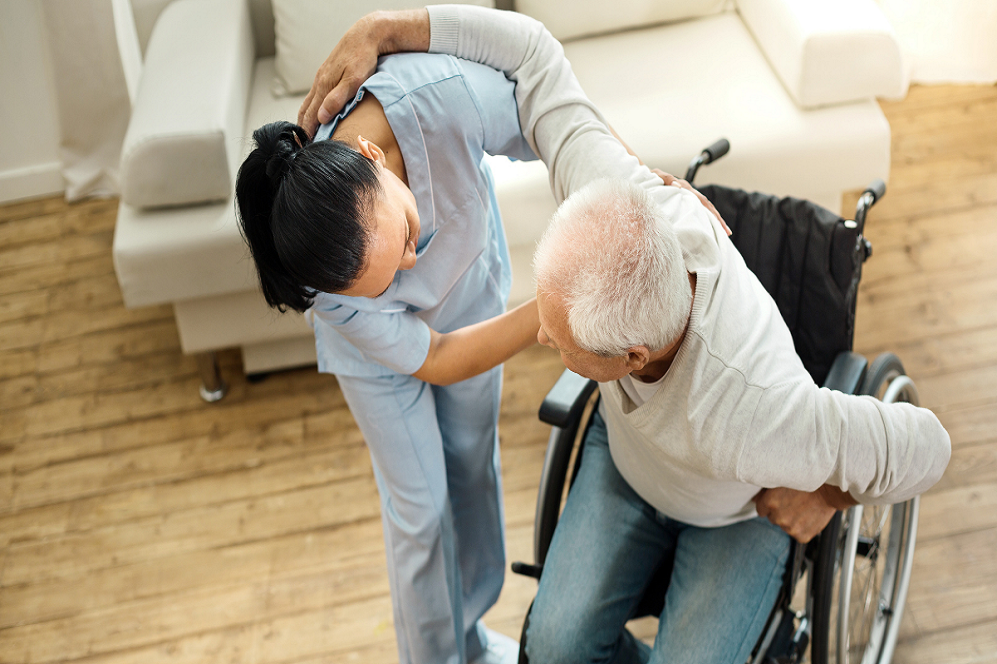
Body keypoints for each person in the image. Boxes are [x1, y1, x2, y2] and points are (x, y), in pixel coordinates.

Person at [300, 5, 952, 663]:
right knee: (552, 650)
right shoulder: (608, 190)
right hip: (630, 459)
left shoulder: (764, 413)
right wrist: (384, 30)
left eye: (559, 338)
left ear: (630, 356)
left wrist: (828, 495)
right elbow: (532, 54)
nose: (543, 341)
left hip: (736, 509)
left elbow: (928, 445)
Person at [235, 21, 545, 664]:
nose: (410, 267)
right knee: (423, 511)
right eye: (381, 282)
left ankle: (473, 637)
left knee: (472, 469)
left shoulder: (442, 96)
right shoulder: (326, 283)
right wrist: (550, 311)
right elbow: (431, 357)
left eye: (406, 234)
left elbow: (550, 119)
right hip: (384, 365)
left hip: (472, 307)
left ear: (373, 160)